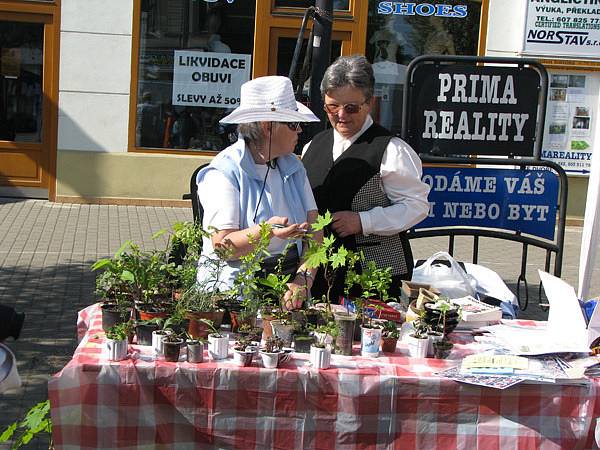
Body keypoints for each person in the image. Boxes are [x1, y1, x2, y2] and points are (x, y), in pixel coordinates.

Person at [302, 55, 430, 301]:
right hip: (321, 272)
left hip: (374, 273)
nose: (341, 115)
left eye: (351, 108)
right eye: (332, 106)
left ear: (370, 102)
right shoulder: (312, 146)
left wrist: (364, 221)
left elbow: (417, 206)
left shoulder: (392, 149)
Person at [196, 76, 320, 311]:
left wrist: (303, 280)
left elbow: (316, 230)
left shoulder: (293, 165)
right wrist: (267, 232)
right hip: (236, 295)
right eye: (292, 124)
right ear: (267, 126)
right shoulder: (224, 171)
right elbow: (224, 247)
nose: (300, 129)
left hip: (288, 287)